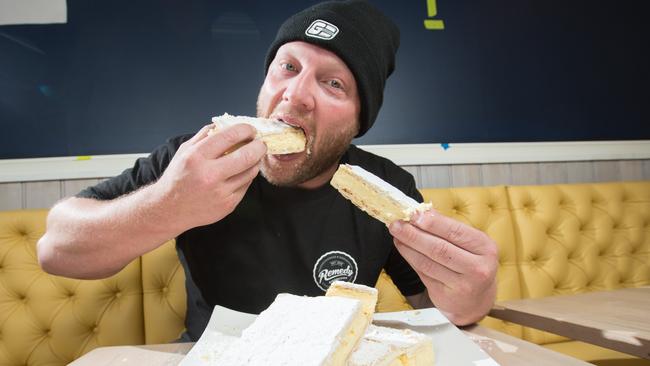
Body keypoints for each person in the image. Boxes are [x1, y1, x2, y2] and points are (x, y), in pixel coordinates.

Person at [37, 0, 498, 341]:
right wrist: (169, 205)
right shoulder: (192, 159)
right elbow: (56, 249)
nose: (295, 95)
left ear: (359, 121)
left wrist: (470, 299)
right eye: (288, 67)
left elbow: (440, 312)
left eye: (333, 83)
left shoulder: (389, 187)